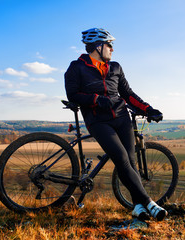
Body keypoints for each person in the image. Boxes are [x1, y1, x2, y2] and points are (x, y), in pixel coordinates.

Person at [64, 28, 167, 221]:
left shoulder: (115, 67)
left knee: (130, 161)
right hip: (98, 121)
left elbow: (128, 94)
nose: (112, 49)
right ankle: (149, 203)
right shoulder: (77, 67)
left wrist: (148, 109)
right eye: (109, 45)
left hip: (121, 118)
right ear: (98, 46)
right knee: (120, 157)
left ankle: (138, 207)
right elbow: (73, 94)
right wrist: (96, 100)